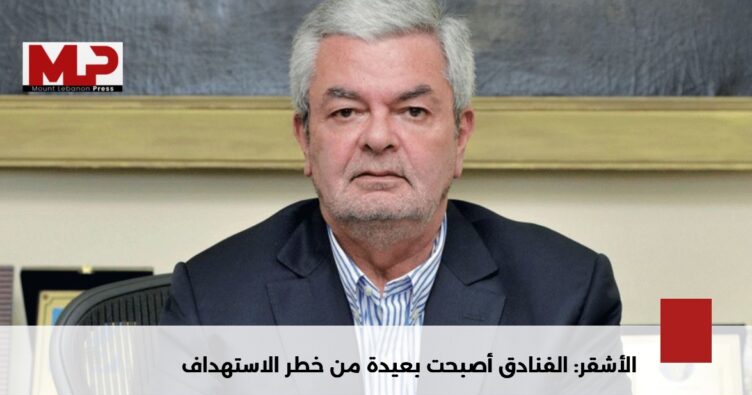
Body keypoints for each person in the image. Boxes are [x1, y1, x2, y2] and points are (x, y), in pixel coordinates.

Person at [161, 0, 622, 334]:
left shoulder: (566, 297)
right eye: (346, 112)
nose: (378, 138)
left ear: (460, 137)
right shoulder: (212, 302)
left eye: (412, 111)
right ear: (305, 138)